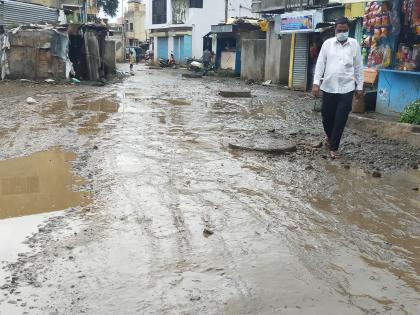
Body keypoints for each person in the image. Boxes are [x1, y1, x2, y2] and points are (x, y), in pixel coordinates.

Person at [312, 17, 364, 159]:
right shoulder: (327, 44)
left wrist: (359, 87)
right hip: (328, 87)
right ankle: (329, 137)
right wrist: (316, 83)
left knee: (340, 120)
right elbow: (320, 64)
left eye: (345, 30)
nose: (342, 32)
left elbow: (359, 67)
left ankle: (334, 148)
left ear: (348, 30)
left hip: (347, 89)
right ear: (335, 30)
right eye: (339, 30)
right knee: (326, 117)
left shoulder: (354, 45)